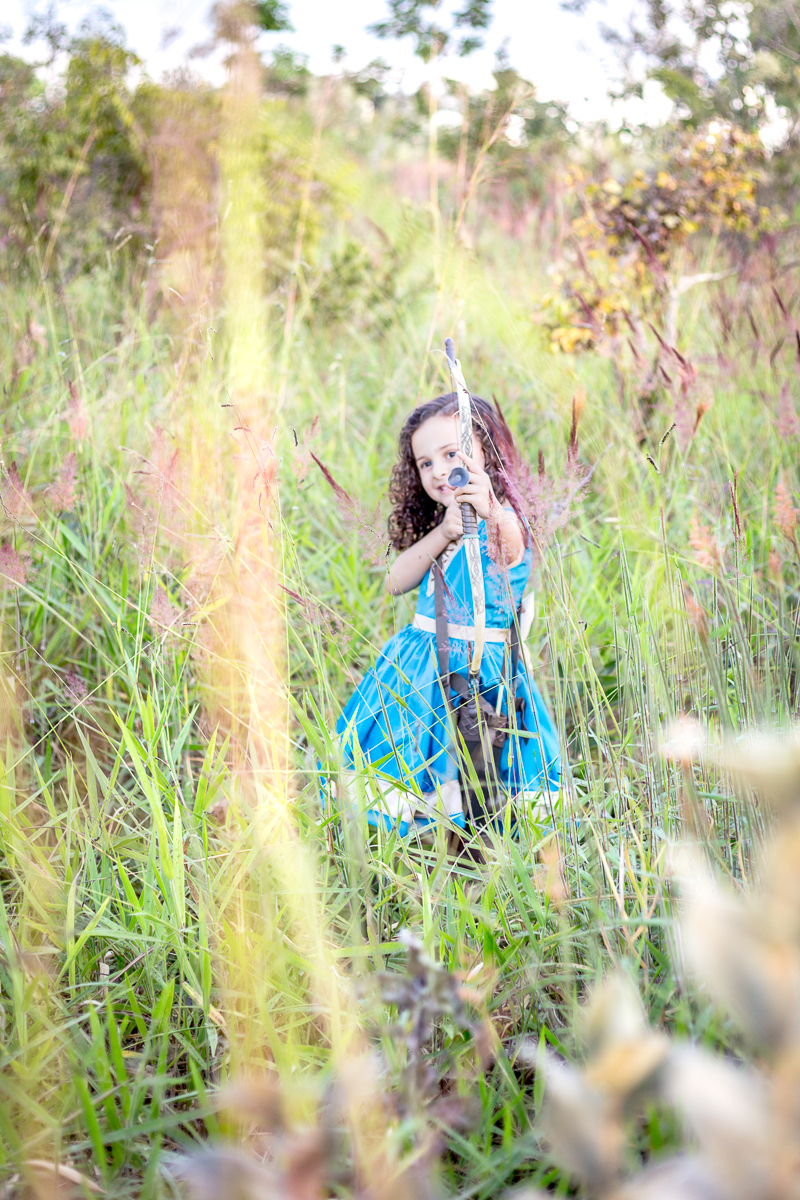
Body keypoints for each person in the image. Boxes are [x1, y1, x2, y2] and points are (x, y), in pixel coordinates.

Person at [335, 391, 561, 837]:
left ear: (485, 453)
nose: (438, 470)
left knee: (477, 767)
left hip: (475, 670)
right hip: (417, 669)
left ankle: (467, 842)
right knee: (404, 758)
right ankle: (410, 843)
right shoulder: (447, 524)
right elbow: (395, 580)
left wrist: (489, 508)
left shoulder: (504, 518)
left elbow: (511, 548)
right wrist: (443, 531)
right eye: (425, 463)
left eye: (451, 454)